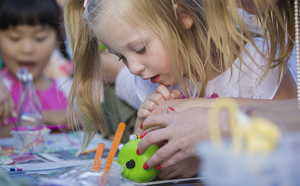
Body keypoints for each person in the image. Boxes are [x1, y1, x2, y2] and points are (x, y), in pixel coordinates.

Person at [64, 0, 298, 179]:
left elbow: (289, 144)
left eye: (140, 48)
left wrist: (203, 162)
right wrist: (146, 125)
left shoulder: (256, 65)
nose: (133, 67)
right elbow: (141, 145)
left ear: (182, 17)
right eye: (121, 57)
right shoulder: (153, 80)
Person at [0, 0, 73, 137]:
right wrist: (43, 117)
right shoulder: (1, 90)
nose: (27, 49)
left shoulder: (67, 89)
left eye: (40, 38)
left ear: (57, 38)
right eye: (15, 38)